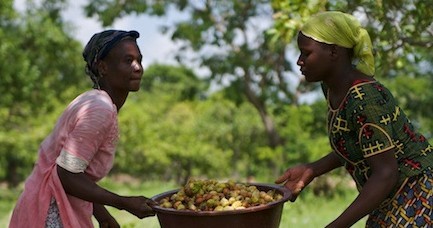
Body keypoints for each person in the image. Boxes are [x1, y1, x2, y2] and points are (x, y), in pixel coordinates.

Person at [275, 11, 433, 227]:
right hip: (391, 195)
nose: (299, 61)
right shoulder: (332, 89)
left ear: (333, 51)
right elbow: (358, 144)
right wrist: (311, 169)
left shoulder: (365, 99)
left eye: (306, 53)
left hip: (417, 192)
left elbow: (385, 173)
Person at [9, 30, 156, 228]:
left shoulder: (95, 101)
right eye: (128, 60)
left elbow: (78, 173)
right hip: (51, 212)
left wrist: (103, 217)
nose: (138, 67)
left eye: (139, 60)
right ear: (102, 67)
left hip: (46, 205)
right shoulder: (99, 109)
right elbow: (66, 174)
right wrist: (123, 202)